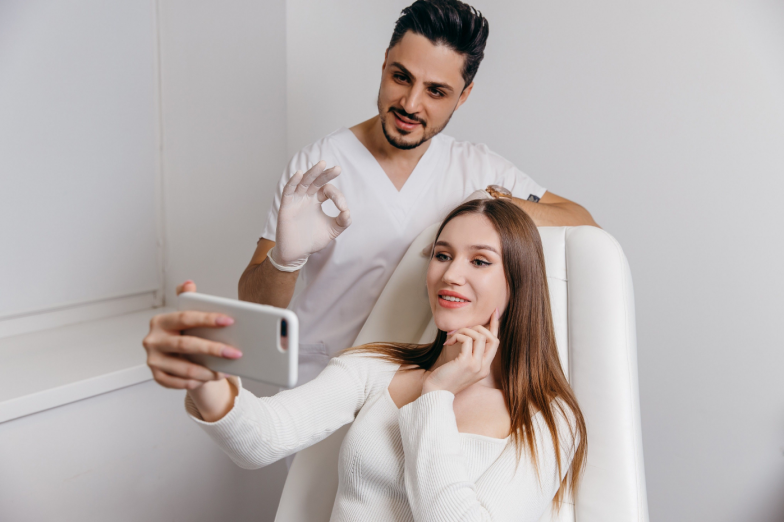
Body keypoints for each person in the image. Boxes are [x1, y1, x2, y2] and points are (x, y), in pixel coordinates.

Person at [143, 197, 588, 521]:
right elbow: (261, 438)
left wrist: (435, 397)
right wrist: (203, 377)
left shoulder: (549, 419)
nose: (451, 274)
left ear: (519, 283)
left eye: (480, 261)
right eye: (442, 255)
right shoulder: (375, 368)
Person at [237, 0, 599, 385]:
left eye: (436, 92)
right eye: (401, 77)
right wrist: (284, 261)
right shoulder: (318, 166)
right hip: (318, 381)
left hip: (417, 392)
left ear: (464, 95)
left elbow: (582, 222)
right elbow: (255, 306)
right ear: (384, 64)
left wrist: (491, 204)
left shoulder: (476, 168)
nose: (410, 104)